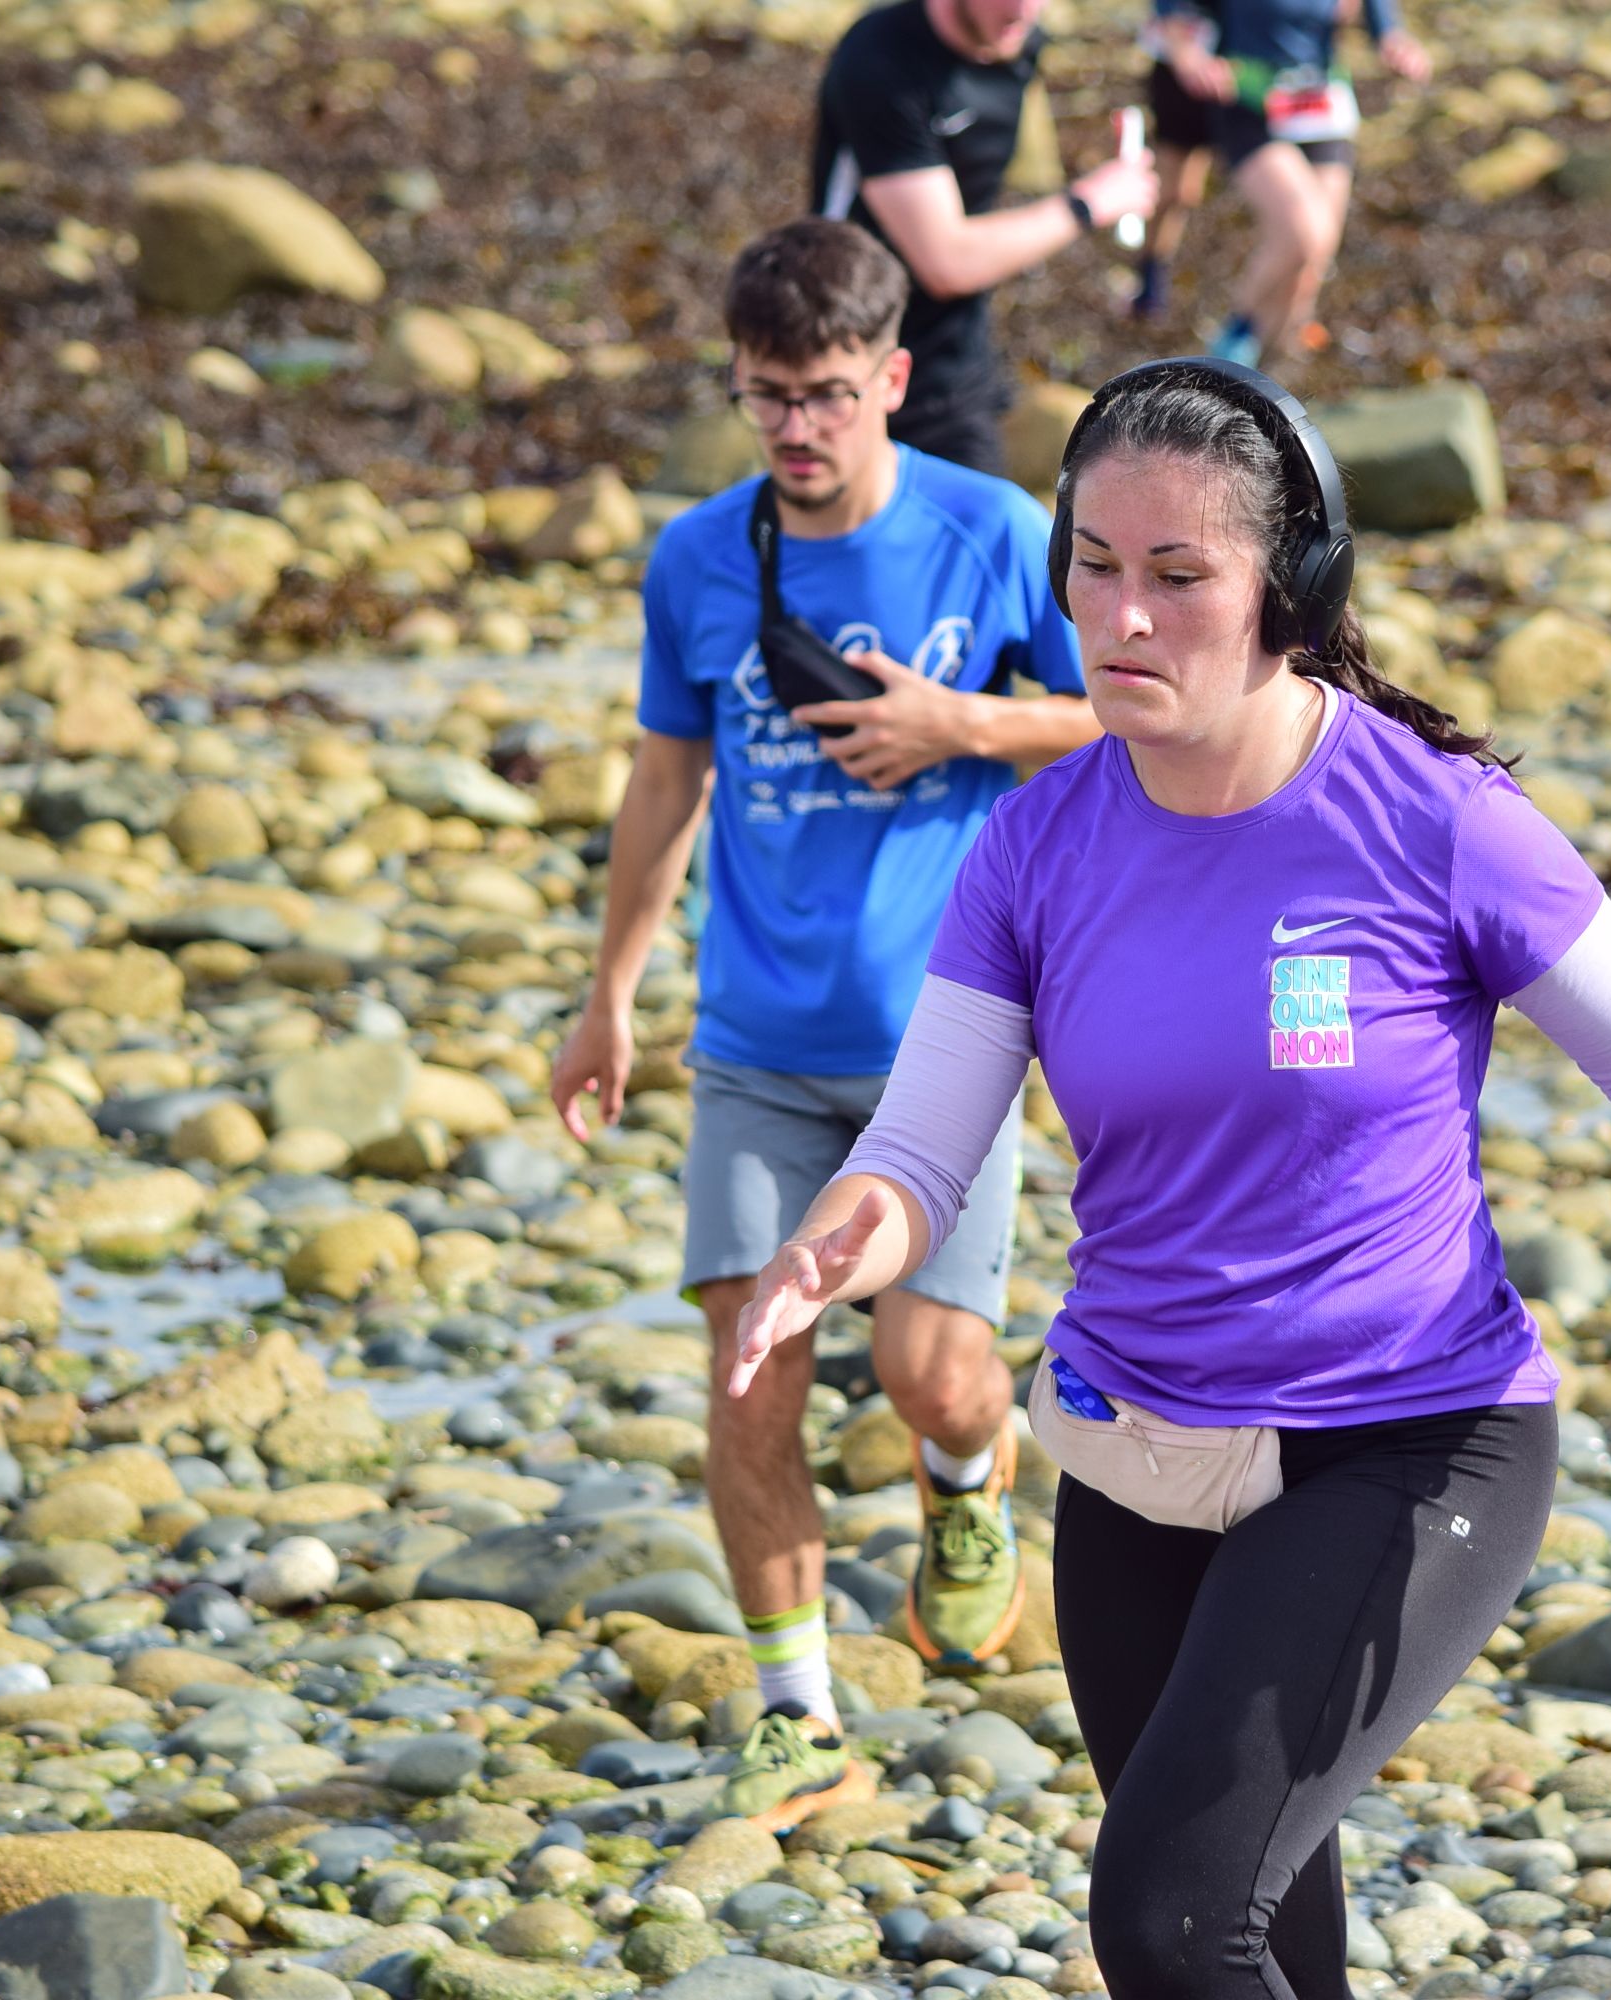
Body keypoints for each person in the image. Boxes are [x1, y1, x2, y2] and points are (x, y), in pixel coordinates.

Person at [724, 358, 1611, 1998]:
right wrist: (827, 1253)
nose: (1123, 617)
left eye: (1179, 575)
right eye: (1096, 564)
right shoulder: (1033, 846)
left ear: (1288, 588)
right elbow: (922, 1151)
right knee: (1256, 1930)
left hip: (1407, 1438)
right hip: (1133, 1456)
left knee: (1170, 1919)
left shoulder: (1433, 820)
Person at [549, 219, 1099, 1828]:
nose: (796, 427)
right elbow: (667, 779)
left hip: (948, 1044)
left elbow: (1132, 724)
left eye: (828, 395)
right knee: (748, 1375)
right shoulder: (696, 559)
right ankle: (798, 1713)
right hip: (754, 1049)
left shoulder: (994, 532)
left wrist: (961, 723)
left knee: (933, 1375)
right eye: (767, 395)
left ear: (894, 379)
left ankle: (966, 1475)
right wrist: (608, 997)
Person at [813, 0, 1159, 476]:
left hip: (955, 357)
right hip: (851, 356)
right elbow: (946, 262)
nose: (1026, 11)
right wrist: (1087, 203)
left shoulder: (1019, 38)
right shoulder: (879, 59)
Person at [1152, 0, 1430, 369]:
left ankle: (1266, 380)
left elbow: (1381, 18)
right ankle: (1230, 344)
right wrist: (1188, 54)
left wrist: (1392, 39)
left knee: (1310, 268)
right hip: (1250, 99)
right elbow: (1171, 13)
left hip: (1321, 98)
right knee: (1304, 232)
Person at [1128, 4, 1218, 321]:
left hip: (1219, 69)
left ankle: (1155, 271)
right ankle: (1147, 274)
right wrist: (1182, 53)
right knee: (1170, 189)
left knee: (1187, 192)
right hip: (1175, 69)